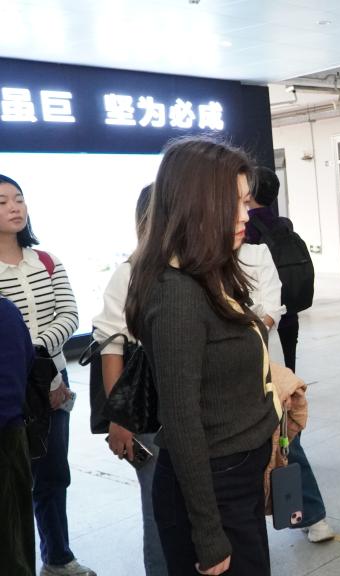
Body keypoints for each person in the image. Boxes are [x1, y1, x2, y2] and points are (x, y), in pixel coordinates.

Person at [125, 138, 280, 576]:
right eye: (235, 204)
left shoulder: (210, 271)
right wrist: (209, 534)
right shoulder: (176, 294)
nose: (246, 216)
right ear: (198, 206)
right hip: (213, 488)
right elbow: (182, 420)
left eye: (246, 202)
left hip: (237, 477)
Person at [0, 173, 95, 576]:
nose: (15, 208)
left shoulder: (46, 261)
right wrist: (28, 354)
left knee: (53, 473)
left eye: (19, 199)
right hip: (10, 390)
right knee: (12, 482)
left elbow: (69, 314)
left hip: (54, 383)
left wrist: (36, 350)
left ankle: (57, 557)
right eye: (2, 202)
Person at [239, 209, 335, 544]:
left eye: (244, 202)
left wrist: (238, 334)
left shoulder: (256, 254)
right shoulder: (193, 265)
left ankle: (309, 514)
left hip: (259, 367)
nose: (242, 216)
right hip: (230, 377)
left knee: (285, 439)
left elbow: (271, 308)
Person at [91, 184, 168, 575]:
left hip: (199, 411)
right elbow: (111, 348)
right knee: (159, 511)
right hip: (149, 412)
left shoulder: (204, 268)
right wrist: (118, 421)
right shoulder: (129, 274)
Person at [244, 167, 304, 372]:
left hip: (263, 319)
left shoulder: (246, 230)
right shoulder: (285, 224)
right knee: (289, 373)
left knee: (267, 375)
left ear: (250, 192)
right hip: (289, 313)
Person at [1, 292, 37, 576]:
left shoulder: (4, 314)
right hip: (10, 435)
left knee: (11, 551)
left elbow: (9, 389)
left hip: (6, 440)